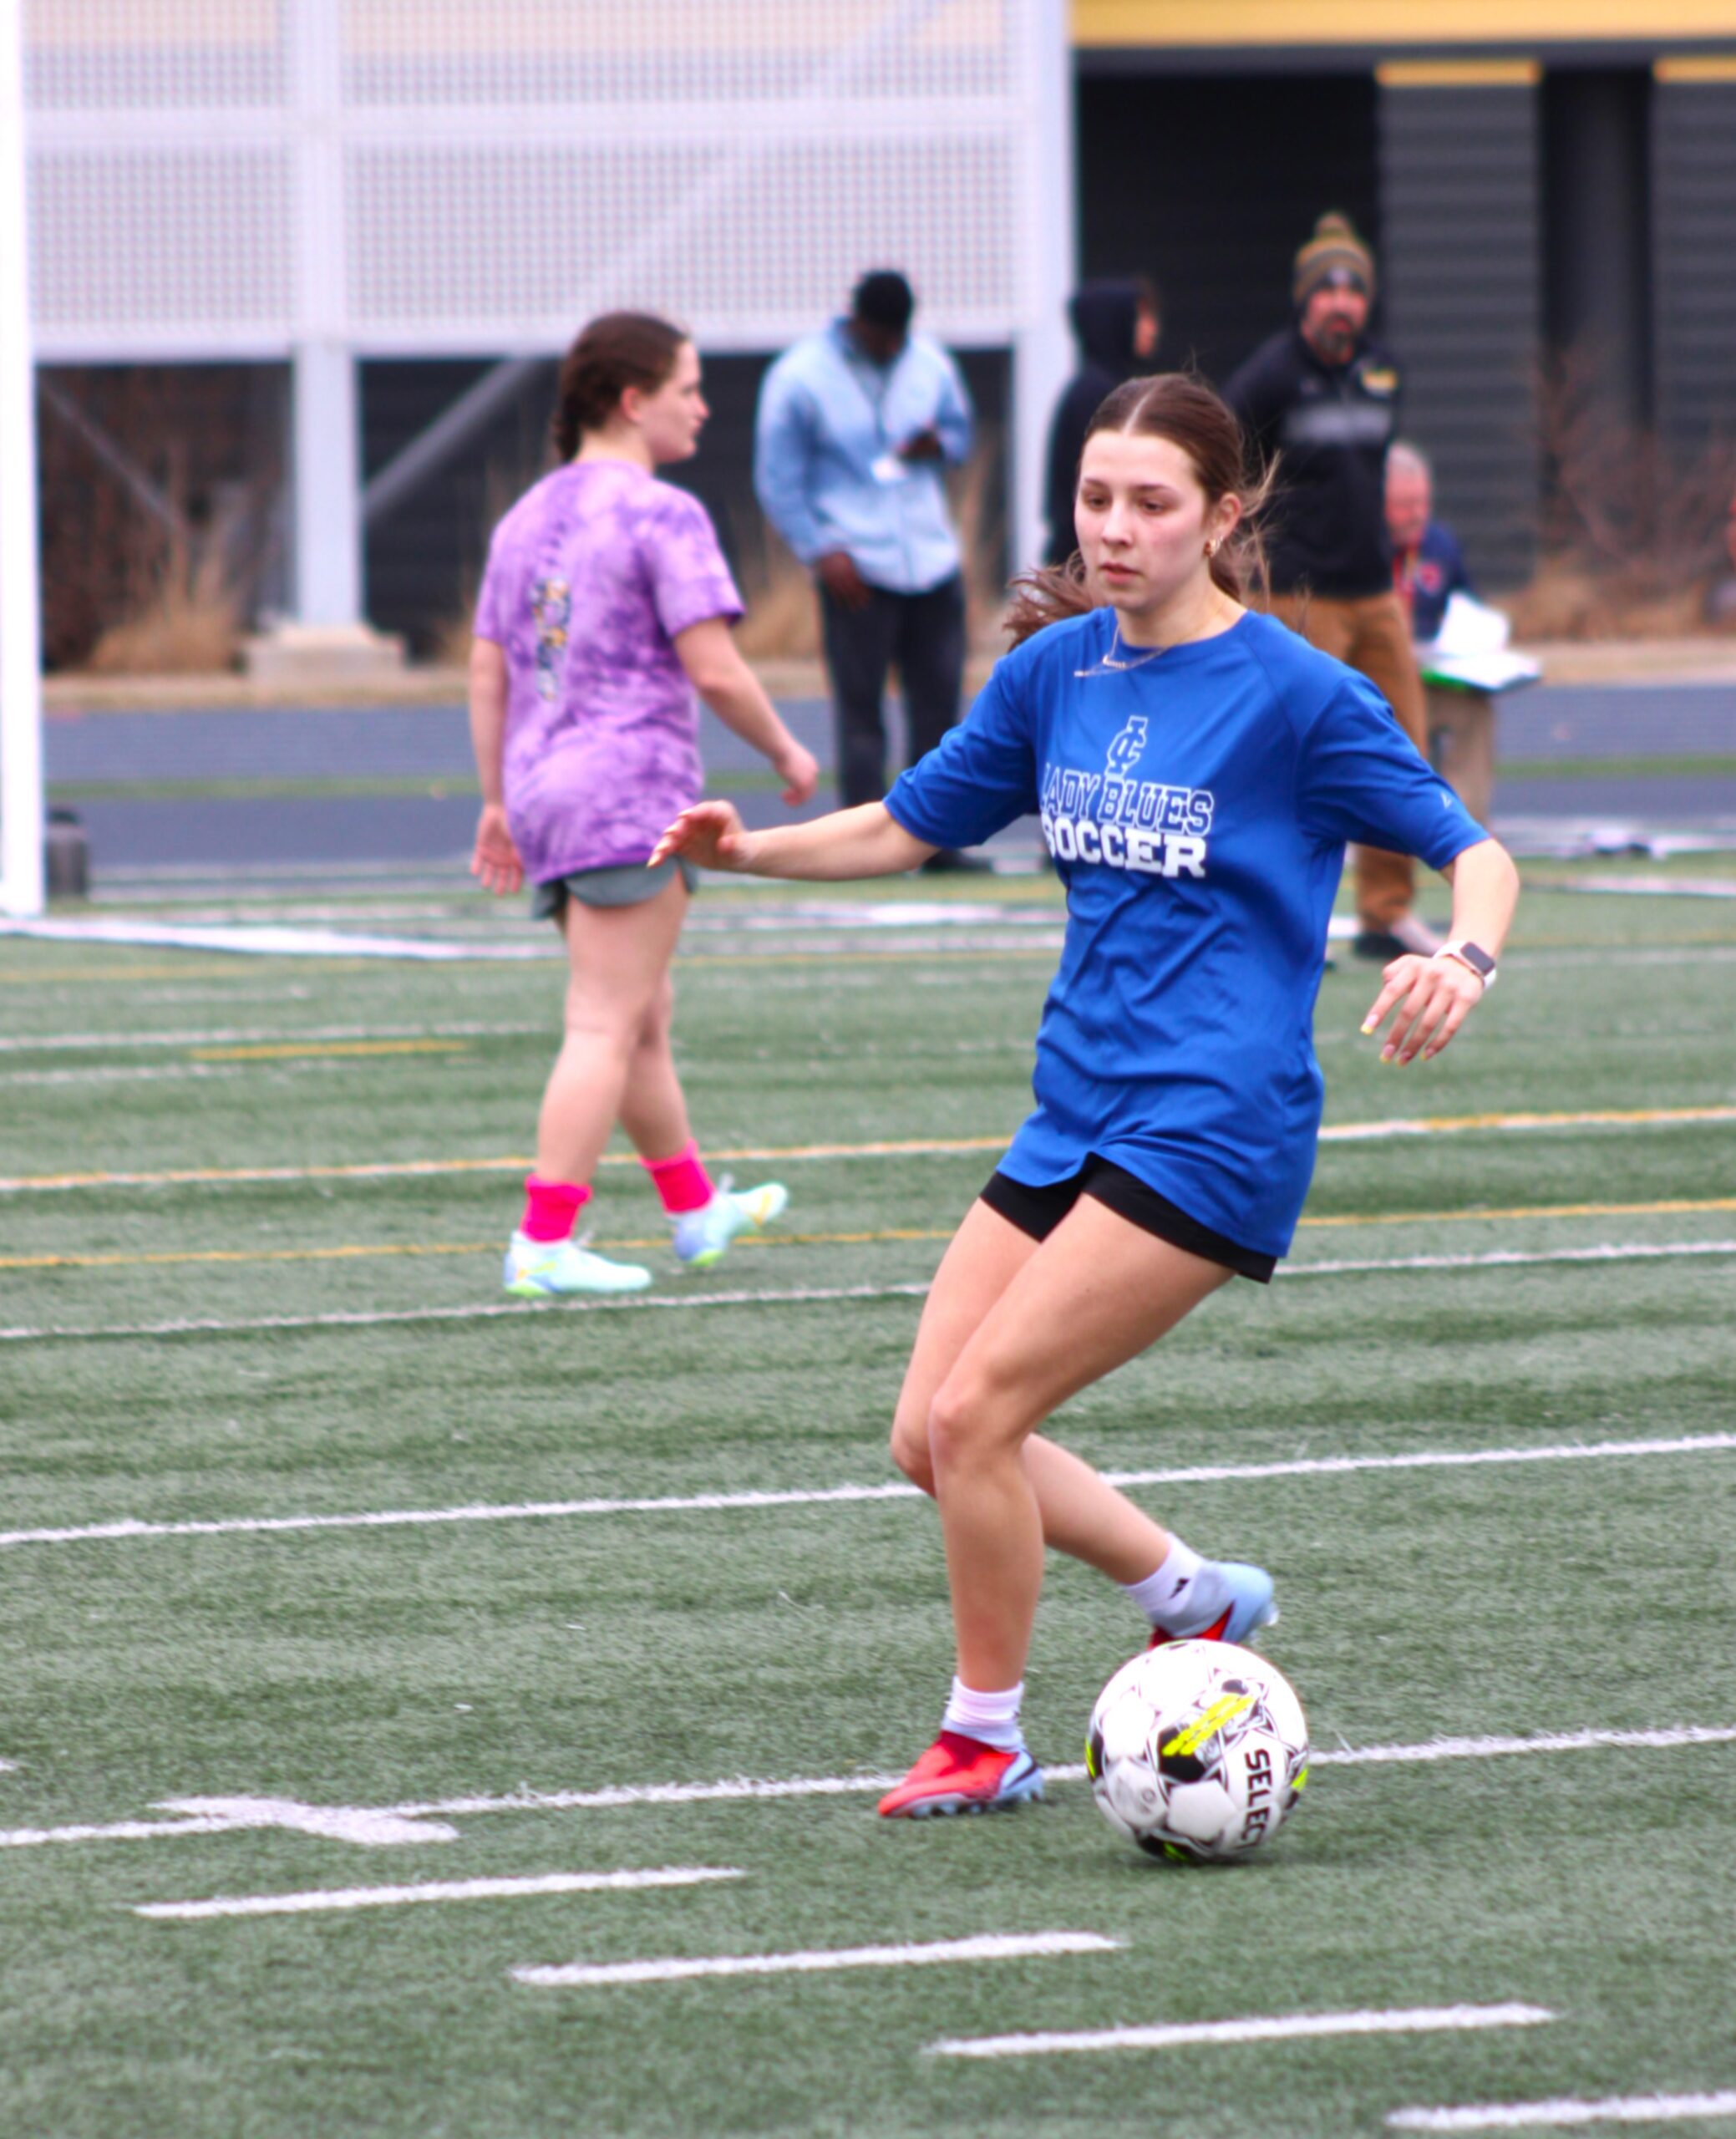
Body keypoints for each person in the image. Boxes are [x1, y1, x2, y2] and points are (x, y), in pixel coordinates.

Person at [655, 373, 1518, 1819]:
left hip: (1213, 1122)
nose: (1113, 529)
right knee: (925, 1434)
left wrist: (1467, 959)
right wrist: (744, 851)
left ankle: (984, 1737)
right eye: (1094, 498)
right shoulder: (1053, 673)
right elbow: (899, 825)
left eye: (1151, 503)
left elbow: (1470, 851)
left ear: (1223, 514)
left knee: (981, 1412)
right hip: (1073, 1110)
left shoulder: (1295, 695)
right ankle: (1191, 1594)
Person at [470, 311, 820, 1298]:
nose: (702, 407)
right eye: (687, 389)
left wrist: (497, 800)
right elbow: (712, 670)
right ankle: (542, 1241)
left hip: (548, 796)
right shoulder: (663, 514)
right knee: (603, 1019)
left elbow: (487, 670)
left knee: (639, 1014)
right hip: (627, 795)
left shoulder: (525, 515)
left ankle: (692, 1207)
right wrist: (787, 749)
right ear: (632, 402)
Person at [1225, 213, 1442, 962]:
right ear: (1304, 299)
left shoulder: (1384, 370)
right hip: (1297, 594)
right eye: (1328, 290)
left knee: (1401, 745)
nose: (1341, 302)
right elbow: (1223, 462)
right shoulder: (1269, 376)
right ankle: (1274, 907)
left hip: (1372, 589)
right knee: (1294, 755)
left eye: (1354, 290)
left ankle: (1384, 914)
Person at [753, 269, 982, 871]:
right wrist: (819, 550)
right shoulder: (799, 376)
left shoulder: (928, 360)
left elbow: (962, 433)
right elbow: (778, 479)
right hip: (855, 568)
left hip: (930, 559)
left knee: (938, 710)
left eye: (900, 338)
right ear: (858, 322)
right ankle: (859, 848)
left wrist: (938, 445)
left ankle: (938, 844)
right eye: (883, 337)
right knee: (862, 715)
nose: (892, 349)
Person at [1387, 440, 1493, 826]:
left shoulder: (1440, 545)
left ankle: (1464, 828)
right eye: (1405, 505)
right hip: (1373, 685)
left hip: (1429, 676)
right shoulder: (1358, 547)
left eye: (1423, 503)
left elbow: (1468, 608)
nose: (1418, 515)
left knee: (1473, 708)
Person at [1043, 276, 1161, 565]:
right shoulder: (1096, 396)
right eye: (1140, 316)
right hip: (1090, 564)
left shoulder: (1109, 388)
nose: (1151, 328)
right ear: (1115, 322)